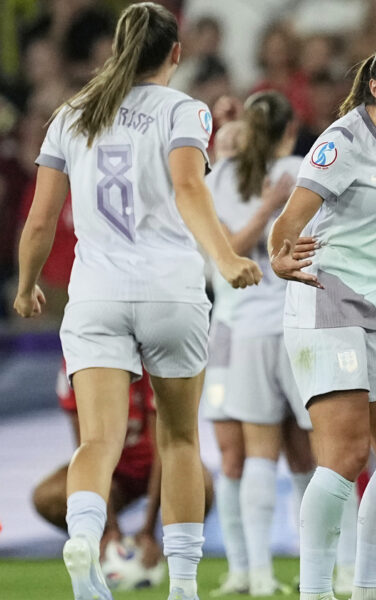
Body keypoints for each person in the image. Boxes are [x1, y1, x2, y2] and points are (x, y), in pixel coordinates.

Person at [13, 4, 261, 600]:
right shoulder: (183, 110)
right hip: (169, 292)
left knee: (96, 442)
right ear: (176, 53)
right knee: (179, 439)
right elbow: (188, 186)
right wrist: (225, 258)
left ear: (116, 49)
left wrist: (25, 285)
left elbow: (41, 219)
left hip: (95, 295)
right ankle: (183, 585)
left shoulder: (72, 114)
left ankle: (85, 540)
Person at [267, 42, 376, 600]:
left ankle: (367, 588)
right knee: (344, 454)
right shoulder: (342, 142)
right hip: (325, 294)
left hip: (375, 303)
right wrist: (278, 256)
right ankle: (316, 591)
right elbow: (289, 222)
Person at [203, 89, 315, 596]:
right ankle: (317, 571)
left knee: (260, 455)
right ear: (291, 129)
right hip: (287, 326)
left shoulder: (223, 177)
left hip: (249, 329)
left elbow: (224, 250)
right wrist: (272, 206)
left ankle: (263, 574)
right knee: (309, 456)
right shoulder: (304, 170)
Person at [33, 364, 214, 589]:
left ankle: (173, 552)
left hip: (156, 468)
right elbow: (84, 447)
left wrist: (149, 530)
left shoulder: (147, 356)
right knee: (48, 497)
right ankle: (97, 545)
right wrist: (110, 528)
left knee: (200, 483)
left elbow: (164, 448)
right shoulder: (73, 361)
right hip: (114, 476)